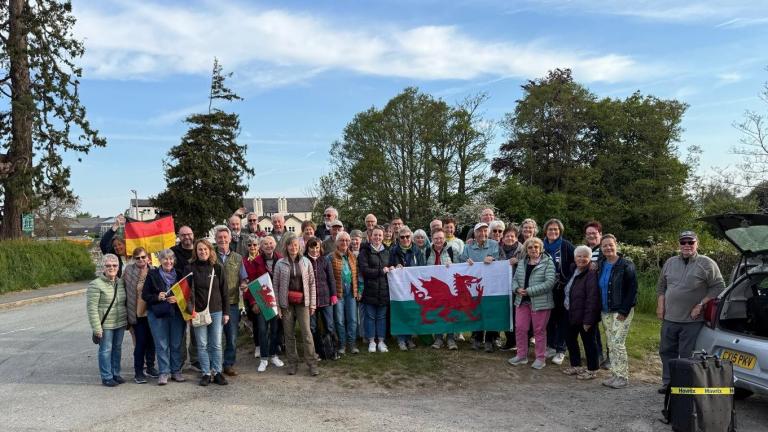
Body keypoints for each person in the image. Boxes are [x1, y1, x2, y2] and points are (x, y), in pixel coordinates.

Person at [656, 230, 724, 394]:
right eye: (683, 242)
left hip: (692, 320)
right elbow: (661, 287)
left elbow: (719, 286)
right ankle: (668, 383)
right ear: (679, 244)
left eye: (690, 242)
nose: (686, 245)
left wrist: (700, 304)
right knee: (666, 351)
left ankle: (683, 385)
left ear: (697, 244)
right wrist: (660, 305)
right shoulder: (670, 262)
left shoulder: (707, 263)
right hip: (670, 318)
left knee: (686, 355)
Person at [186, 239, 229, 386]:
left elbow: (225, 292)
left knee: (216, 344)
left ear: (210, 250)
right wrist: (189, 312)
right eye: (199, 249)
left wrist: (226, 313)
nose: (203, 252)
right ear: (196, 252)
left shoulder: (217, 268)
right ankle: (205, 373)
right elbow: (186, 293)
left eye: (205, 249)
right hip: (197, 312)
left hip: (216, 311)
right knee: (202, 344)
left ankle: (217, 372)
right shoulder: (190, 268)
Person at [507, 238, 556, 370]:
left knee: (539, 331)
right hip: (522, 301)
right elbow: (515, 280)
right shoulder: (522, 263)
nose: (533, 249)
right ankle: (521, 355)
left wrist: (529, 291)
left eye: (536, 247)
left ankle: (540, 358)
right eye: (530, 247)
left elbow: (550, 282)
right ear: (526, 250)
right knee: (520, 328)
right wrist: (516, 289)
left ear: (541, 249)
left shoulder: (548, 263)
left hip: (541, 303)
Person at [274, 233, 319, 376]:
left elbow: (312, 284)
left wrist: (312, 304)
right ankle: (292, 363)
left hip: (303, 303)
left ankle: (312, 363)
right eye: (290, 245)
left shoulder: (306, 262)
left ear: (299, 246)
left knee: (307, 333)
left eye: (295, 245)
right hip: (286, 303)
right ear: (286, 247)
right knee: (289, 334)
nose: (293, 247)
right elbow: (275, 286)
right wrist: (278, 306)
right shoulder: (280, 263)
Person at [597, 234, 638, 389]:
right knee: (610, 343)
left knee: (618, 343)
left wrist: (624, 310)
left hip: (621, 310)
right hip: (606, 310)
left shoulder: (626, 265)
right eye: (604, 246)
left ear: (616, 245)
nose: (608, 248)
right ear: (601, 248)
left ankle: (622, 376)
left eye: (610, 245)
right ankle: (614, 374)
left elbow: (632, 290)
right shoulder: (601, 263)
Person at [142, 249, 187, 385]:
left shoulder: (180, 274)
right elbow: (145, 295)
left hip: (176, 314)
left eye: (171, 259)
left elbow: (186, 294)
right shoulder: (152, 274)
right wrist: (157, 297)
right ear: (160, 261)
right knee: (162, 344)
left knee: (176, 343)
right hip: (158, 314)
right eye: (165, 259)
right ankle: (164, 372)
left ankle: (176, 371)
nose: (168, 262)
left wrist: (177, 298)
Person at [242, 235, 284, 372]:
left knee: (275, 330)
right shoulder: (256, 261)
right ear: (261, 246)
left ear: (275, 244)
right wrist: (254, 302)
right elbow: (252, 283)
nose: (268, 246)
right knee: (262, 329)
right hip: (261, 300)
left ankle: (273, 355)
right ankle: (264, 359)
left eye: (271, 243)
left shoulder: (281, 259)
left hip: (277, 300)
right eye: (265, 244)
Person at [458, 222, 502, 352]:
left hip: (491, 284)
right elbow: (461, 261)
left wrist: (493, 260)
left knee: (489, 311)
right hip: (474, 286)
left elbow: (499, 261)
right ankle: (477, 338)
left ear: (487, 233)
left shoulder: (494, 245)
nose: (482, 233)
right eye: (479, 231)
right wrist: (466, 262)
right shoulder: (468, 247)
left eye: (484, 231)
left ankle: (489, 340)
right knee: (476, 310)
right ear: (475, 233)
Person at [87, 254, 127, 387]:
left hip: (120, 322)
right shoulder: (95, 285)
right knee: (105, 350)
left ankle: (116, 373)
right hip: (105, 324)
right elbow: (92, 308)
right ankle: (106, 376)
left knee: (117, 349)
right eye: (108, 265)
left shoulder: (120, 282)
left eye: (114, 265)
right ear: (103, 268)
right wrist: (96, 328)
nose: (112, 268)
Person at [562, 246, 601, 380]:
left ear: (590, 259)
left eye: (585, 256)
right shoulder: (574, 268)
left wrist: (589, 320)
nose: (582, 259)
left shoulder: (591, 273)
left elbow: (593, 298)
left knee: (589, 342)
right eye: (579, 256)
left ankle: (592, 369)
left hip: (585, 315)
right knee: (570, 339)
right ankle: (576, 365)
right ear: (574, 257)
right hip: (570, 311)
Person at [542, 218, 576, 366]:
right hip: (545, 289)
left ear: (560, 231)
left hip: (562, 288)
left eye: (556, 229)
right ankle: (550, 346)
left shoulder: (566, 245)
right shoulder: (540, 245)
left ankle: (561, 349)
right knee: (549, 318)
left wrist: (568, 278)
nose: (553, 232)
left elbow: (577, 262)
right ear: (545, 231)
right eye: (550, 229)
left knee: (562, 319)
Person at [213, 225, 245, 377]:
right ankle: (216, 365)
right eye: (220, 238)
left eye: (225, 237)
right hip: (214, 303)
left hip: (232, 302)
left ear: (230, 239)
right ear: (215, 239)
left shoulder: (238, 258)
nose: (223, 240)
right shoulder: (210, 257)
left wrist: (244, 284)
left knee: (231, 337)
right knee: (216, 337)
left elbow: (243, 278)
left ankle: (228, 364)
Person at [122, 247, 157, 384]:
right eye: (137, 258)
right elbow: (122, 288)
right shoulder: (129, 271)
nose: (141, 260)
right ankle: (138, 372)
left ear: (148, 257)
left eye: (143, 257)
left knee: (152, 341)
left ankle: (150, 367)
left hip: (151, 312)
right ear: (134, 259)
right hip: (136, 312)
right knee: (140, 342)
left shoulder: (154, 271)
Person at [389, 226, 426, 350]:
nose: (405, 239)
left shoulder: (417, 251)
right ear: (398, 238)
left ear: (411, 237)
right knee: (400, 311)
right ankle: (401, 339)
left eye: (407, 237)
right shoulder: (393, 251)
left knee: (411, 311)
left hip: (413, 287)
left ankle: (409, 338)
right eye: (402, 237)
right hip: (399, 288)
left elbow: (422, 268)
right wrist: (395, 267)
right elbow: (389, 266)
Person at [358, 225, 391, 353]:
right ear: (370, 237)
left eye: (380, 235)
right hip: (369, 290)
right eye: (375, 235)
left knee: (382, 317)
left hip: (383, 290)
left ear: (383, 237)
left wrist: (394, 267)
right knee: (370, 317)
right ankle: (372, 341)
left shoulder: (387, 251)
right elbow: (365, 270)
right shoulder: (364, 252)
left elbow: (390, 266)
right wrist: (381, 271)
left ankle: (381, 342)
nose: (377, 237)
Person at [304, 237, 338, 356]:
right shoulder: (303, 261)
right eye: (312, 247)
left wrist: (333, 294)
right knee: (313, 327)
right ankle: (317, 351)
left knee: (329, 325)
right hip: (311, 301)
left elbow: (331, 279)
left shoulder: (325, 260)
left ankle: (333, 350)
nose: (314, 250)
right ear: (307, 248)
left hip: (325, 298)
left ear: (320, 248)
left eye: (317, 247)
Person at [426, 228, 458, 350]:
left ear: (444, 238)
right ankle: (438, 338)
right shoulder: (427, 251)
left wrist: (453, 266)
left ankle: (450, 338)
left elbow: (460, 266)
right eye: (435, 238)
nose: (438, 240)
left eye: (440, 238)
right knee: (438, 311)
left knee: (450, 311)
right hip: (435, 288)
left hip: (448, 287)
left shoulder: (451, 250)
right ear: (432, 239)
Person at [170, 225, 196, 370]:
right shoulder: (173, 252)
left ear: (193, 235)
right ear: (179, 236)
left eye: (189, 234)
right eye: (183, 235)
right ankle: (179, 362)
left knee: (195, 331)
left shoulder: (199, 249)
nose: (187, 237)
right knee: (180, 333)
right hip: (178, 297)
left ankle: (195, 360)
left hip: (196, 296)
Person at [330, 231, 360, 354]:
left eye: (347, 240)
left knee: (352, 319)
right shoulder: (330, 257)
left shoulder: (352, 256)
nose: (345, 243)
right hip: (338, 293)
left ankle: (352, 344)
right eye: (342, 240)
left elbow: (357, 275)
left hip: (351, 292)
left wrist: (358, 290)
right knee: (340, 320)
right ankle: (342, 344)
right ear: (337, 242)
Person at [584, 220, 608, 369]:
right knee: (593, 326)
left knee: (609, 328)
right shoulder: (585, 250)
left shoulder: (604, 250)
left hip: (604, 293)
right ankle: (597, 354)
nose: (591, 235)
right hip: (590, 294)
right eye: (588, 233)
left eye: (594, 233)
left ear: (600, 234)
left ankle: (610, 357)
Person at [500, 224, 524, 351]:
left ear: (516, 238)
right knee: (506, 314)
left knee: (518, 316)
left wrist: (518, 261)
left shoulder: (523, 249)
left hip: (518, 288)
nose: (509, 238)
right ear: (503, 238)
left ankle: (519, 342)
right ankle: (510, 341)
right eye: (507, 236)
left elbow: (530, 263)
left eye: (512, 236)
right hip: (503, 287)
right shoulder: (499, 249)